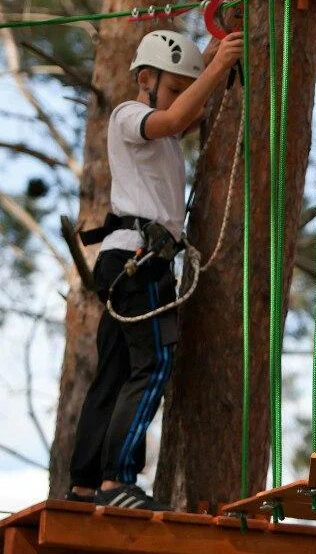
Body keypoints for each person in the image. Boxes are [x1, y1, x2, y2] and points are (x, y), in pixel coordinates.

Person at [66, 27, 243, 510]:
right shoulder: (129, 115)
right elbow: (176, 117)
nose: (180, 98)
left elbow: (188, 112)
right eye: (172, 87)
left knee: (115, 373)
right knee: (154, 364)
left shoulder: (163, 136)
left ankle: (84, 485)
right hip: (137, 262)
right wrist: (217, 67)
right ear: (145, 78)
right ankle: (117, 480)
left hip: (131, 261)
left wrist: (208, 56)